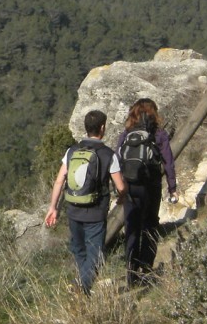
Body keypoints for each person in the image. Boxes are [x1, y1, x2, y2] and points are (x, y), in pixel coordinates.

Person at [45, 110, 127, 295]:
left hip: (73, 209)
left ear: (86, 128)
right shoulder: (108, 155)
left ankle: (82, 290)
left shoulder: (71, 151)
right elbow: (120, 186)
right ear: (103, 128)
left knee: (79, 250)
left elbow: (60, 180)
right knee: (96, 256)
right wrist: (122, 198)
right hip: (96, 213)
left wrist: (53, 208)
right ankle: (81, 287)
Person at [114, 98, 176, 288]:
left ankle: (131, 273)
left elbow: (117, 159)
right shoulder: (159, 134)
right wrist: (172, 187)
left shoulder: (126, 134)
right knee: (150, 225)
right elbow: (169, 162)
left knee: (132, 227)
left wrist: (119, 187)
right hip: (152, 185)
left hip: (130, 186)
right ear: (154, 114)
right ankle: (146, 269)